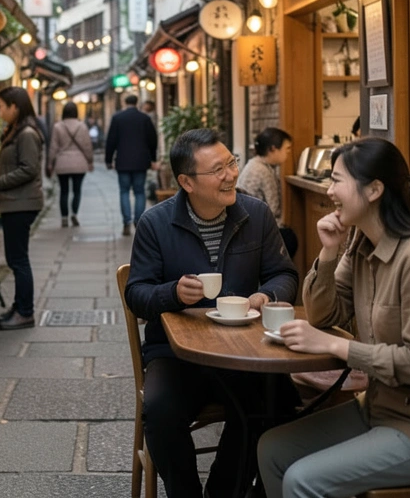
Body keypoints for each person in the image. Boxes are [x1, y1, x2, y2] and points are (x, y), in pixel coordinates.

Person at [257, 137, 410, 498]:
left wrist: (338, 346)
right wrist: (329, 253)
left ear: (374, 189)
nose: (329, 190)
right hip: (380, 410)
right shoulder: (362, 242)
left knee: (302, 479)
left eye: (337, 180)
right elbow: (323, 313)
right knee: (272, 450)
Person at [125, 128, 299, 498]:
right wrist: (172, 293)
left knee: (273, 404)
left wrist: (267, 295)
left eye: (231, 163)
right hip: (175, 355)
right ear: (187, 181)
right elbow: (137, 294)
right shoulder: (155, 223)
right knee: (160, 413)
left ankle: (225, 491)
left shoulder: (256, 214)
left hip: (244, 350)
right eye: (218, 169)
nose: (231, 175)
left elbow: (283, 273)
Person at [0, 87, 44, 330]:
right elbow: (11, 168)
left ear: (15, 107)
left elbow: (29, 169)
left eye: (2, 106)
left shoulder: (26, 133)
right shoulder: (16, 131)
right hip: (15, 202)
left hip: (21, 203)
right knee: (17, 259)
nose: (0, 111)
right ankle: (19, 306)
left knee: (18, 260)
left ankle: (25, 312)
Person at [237, 127, 298, 259]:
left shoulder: (254, 164)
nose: (288, 153)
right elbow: (273, 210)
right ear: (273, 149)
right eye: (287, 149)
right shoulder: (263, 171)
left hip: (247, 227)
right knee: (289, 238)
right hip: (255, 230)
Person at [105, 94, 160, 236]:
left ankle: (126, 222)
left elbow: (111, 140)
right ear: (137, 103)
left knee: (124, 191)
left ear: (125, 102)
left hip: (123, 161)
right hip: (141, 161)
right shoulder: (145, 119)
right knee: (139, 191)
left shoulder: (117, 118)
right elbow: (153, 141)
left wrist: (108, 159)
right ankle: (138, 221)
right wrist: (153, 159)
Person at [48, 101, 94, 228]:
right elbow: (87, 146)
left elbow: (53, 147)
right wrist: (90, 161)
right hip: (79, 163)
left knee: (64, 191)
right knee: (77, 190)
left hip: (62, 163)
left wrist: (50, 163)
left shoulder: (58, 127)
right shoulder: (82, 126)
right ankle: (74, 213)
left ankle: (64, 217)